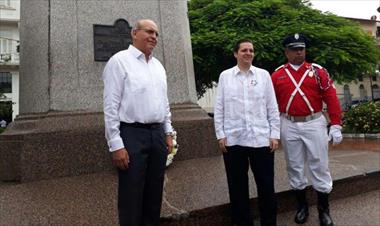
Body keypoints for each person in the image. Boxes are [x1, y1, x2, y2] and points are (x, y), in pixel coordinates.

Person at [102, 19, 174, 226]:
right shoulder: (119, 61)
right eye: (149, 32)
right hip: (132, 135)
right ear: (134, 33)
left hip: (157, 135)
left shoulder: (158, 66)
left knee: (154, 193)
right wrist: (116, 144)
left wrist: (168, 133)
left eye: (157, 34)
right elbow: (110, 106)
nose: (154, 37)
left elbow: (164, 103)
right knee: (131, 195)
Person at [271, 33, 343, 226]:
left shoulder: (319, 72)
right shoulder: (277, 74)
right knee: (294, 165)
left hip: (314, 122)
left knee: (319, 165)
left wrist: (336, 124)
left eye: (301, 48)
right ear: (286, 52)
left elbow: (331, 98)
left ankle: (323, 210)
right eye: (294, 49)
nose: (299, 52)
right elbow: (270, 104)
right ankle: (302, 206)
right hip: (288, 123)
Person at [214, 39, 280, 226]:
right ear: (236, 54)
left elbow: (272, 106)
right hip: (234, 140)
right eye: (244, 50)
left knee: (266, 186)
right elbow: (219, 108)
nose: (248, 53)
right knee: (237, 188)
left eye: (251, 50)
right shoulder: (225, 76)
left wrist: (274, 134)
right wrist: (221, 134)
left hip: (261, 140)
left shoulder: (264, 75)